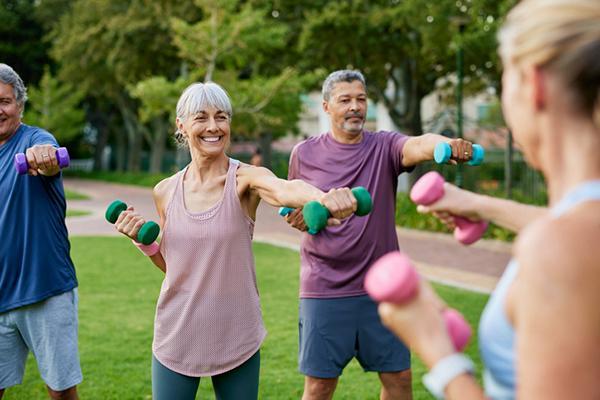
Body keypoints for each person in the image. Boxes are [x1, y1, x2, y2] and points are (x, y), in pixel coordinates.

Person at [377, 0, 600, 398]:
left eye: (504, 79)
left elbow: (568, 242)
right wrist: (480, 205)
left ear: (534, 85)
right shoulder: (578, 229)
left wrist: (436, 348)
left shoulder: (560, 249)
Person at [113, 81, 356, 400]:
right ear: (181, 125)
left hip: (236, 331)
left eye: (221, 117)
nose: (213, 127)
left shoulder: (246, 179)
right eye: (201, 117)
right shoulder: (165, 191)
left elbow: (284, 188)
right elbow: (178, 268)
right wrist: (143, 243)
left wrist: (324, 198)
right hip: (177, 331)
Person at [284, 69, 478, 400]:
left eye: (361, 99)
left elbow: (418, 144)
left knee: (399, 379)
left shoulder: (384, 146)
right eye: (345, 100)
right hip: (324, 287)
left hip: (383, 287)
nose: (355, 107)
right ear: (327, 107)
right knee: (318, 387)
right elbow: (291, 209)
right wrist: (302, 218)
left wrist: (445, 144)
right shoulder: (303, 154)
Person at [0, 64, 81, 399]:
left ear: (19, 104)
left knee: (61, 393)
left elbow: (46, 155)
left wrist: (44, 158)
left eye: (4, 101)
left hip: (43, 289)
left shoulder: (34, 139)